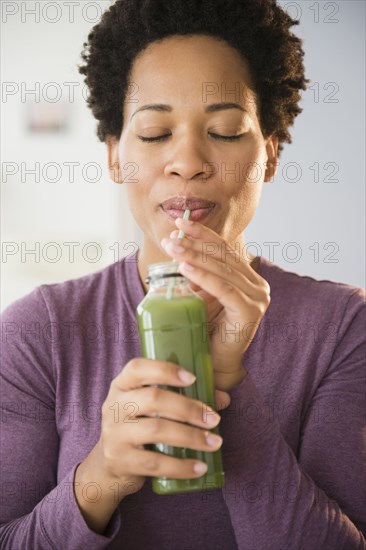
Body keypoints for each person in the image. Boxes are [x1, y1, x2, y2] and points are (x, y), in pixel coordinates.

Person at [1, 0, 365, 548]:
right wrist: (100, 477)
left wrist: (225, 387)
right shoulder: (37, 331)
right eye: (153, 134)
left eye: (223, 129)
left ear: (268, 153)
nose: (188, 160)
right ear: (115, 156)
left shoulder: (344, 327)